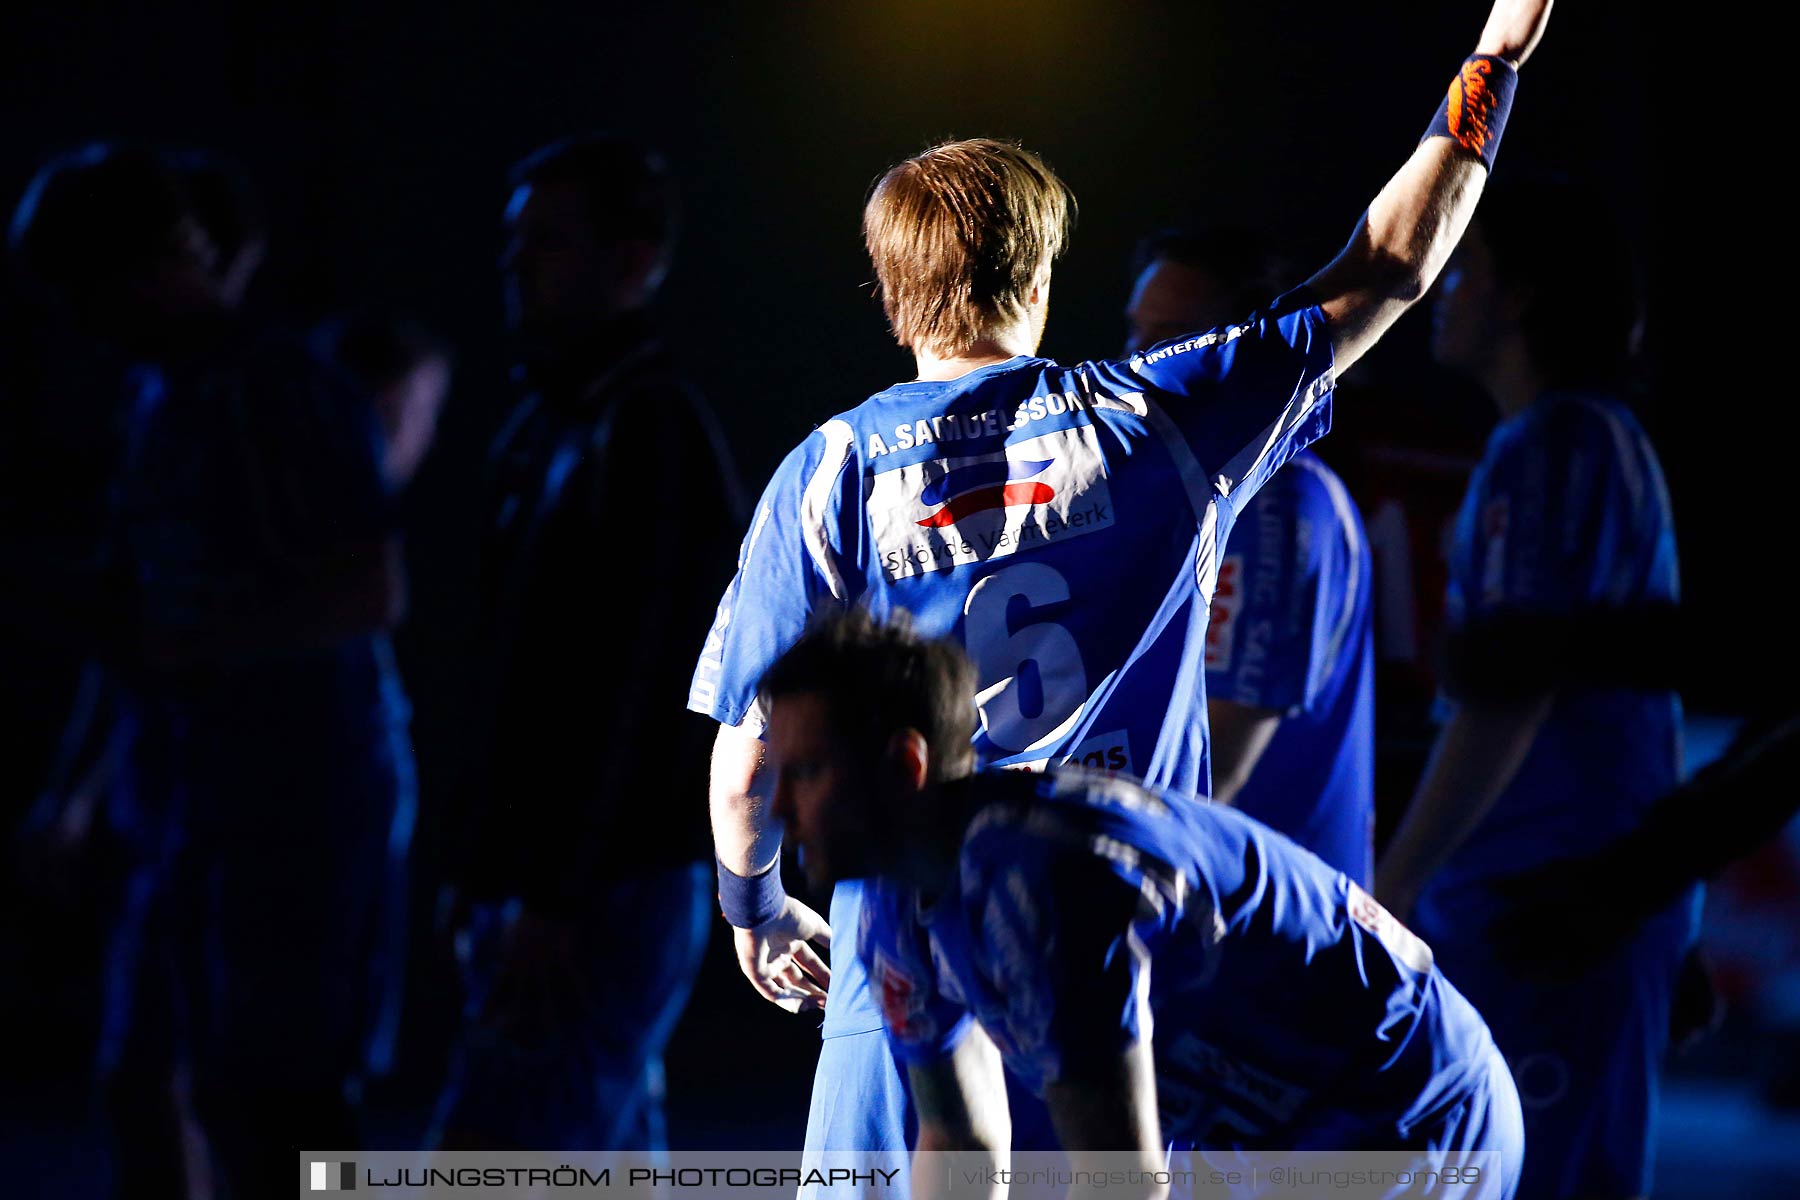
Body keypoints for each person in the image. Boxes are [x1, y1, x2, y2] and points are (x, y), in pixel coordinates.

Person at [690, 0, 1551, 1176]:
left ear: (892, 298)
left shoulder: (825, 473)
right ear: (1039, 278)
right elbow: (1390, 268)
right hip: (1111, 945)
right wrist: (1494, 59)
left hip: (908, 945)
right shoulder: (1151, 421)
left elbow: (749, 759)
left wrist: (754, 906)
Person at [760, 609, 1523, 1199]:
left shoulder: (1032, 879)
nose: (779, 808)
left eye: (810, 772)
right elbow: (961, 1144)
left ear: (905, 764)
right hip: (1287, 1124)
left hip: (1416, 1106)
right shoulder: (898, 905)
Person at [1375, 180, 1694, 1199]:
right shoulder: (1588, 444)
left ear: (1518, 300)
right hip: (1570, 895)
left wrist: (1396, 880)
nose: (1445, 292)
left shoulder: (1555, 444)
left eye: (1465, 272)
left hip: (1552, 900)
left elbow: (1513, 688)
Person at [431, 134, 745, 1152]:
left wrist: (551, 891)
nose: (515, 266)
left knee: (509, 1159)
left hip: (600, 886)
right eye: (518, 242)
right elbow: (516, 677)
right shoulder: (550, 424)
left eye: (550, 243)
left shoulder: (644, 430)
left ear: (634, 258)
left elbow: (644, 685)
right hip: (566, 881)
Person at [1126, 229, 1375, 884]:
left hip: (1266, 936)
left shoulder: (1276, 499)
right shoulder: (1194, 488)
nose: (1140, 362)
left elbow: (1218, 771)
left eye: (1171, 337)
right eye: (1135, 336)